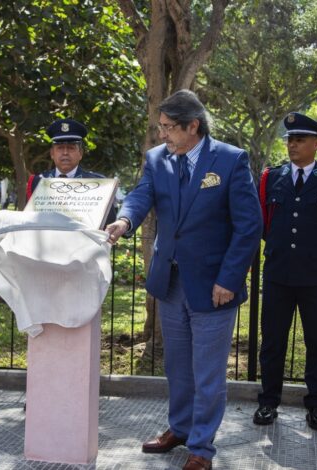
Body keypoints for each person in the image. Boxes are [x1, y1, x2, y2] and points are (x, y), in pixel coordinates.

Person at [106, 90, 262, 470]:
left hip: (214, 288)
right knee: (177, 366)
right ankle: (179, 427)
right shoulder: (157, 159)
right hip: (171, 283)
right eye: (160, 128)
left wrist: (229, 278)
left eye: (169, 128)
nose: (163, 136)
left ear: (193, 126)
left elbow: (249, 227)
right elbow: (142, 195)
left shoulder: (230, 159)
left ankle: (201, 448)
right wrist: (125, 221)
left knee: (208, 372)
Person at [253, 112, 317, 431]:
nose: (292, 145)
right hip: (278, 273)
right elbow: (263, 223)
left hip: (315, 275)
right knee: (272, 341)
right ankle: (268, 402)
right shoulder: (272, 177)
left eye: (299, 140)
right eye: (289, 139)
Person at [27, 118, 116, 226]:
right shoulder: (37, 182)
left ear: (80, 153)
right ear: (52, 153)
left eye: (71, 148)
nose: (65, 152)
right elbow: (29, 220)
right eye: (60, 148)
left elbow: (108, 225)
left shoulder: (99, 184)